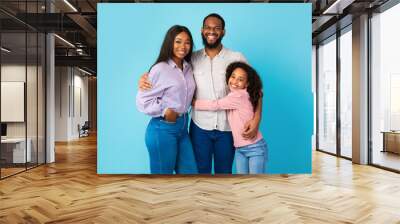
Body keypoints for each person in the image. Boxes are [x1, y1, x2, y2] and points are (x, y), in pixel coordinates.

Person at [139, 13, 262, 174]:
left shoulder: (236, 57)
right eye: (208, 28)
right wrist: (144, 79)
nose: (212, 32)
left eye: (217, 28)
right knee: (198, 174)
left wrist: (257, 118)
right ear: (202, 30)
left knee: (224, 173)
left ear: (223, 32)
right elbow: (167, 72)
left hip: (227, 129)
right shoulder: (191, 60)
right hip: (199, 129)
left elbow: (255, 89)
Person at [136, 25, 198, 174]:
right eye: (178, 41)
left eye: (187, 42)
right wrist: (165, 111)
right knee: (162, 181)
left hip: (183, 128)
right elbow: (142, 100)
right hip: (163, 128)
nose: (183, 46)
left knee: (190, 174)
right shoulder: (160, 68)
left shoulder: (189, 68)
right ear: (170, 43)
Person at [193, 62, 267, 174]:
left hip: (254, 148)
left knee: (255, 184)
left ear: (247, 84)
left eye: (240, 79)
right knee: (244, 185)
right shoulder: (240, 94)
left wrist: (194, 102)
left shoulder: (238, 95)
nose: (235, 81)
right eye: (233, 77)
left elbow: (215, 105)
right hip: (240, 149)